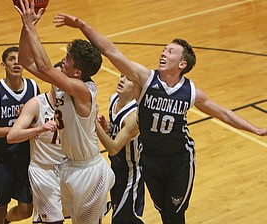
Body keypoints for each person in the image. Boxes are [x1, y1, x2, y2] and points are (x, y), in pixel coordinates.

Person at [52, 13, 267, 224]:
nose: (163, 53)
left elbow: (224, 113)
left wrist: (255, 129)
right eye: (164, 49)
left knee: (174, 216)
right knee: (164, 212)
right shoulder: (145, 78)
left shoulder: (190, 92)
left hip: (179, 160)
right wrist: (81, 25)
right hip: (150, 159)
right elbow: (110, 50)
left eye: (171, 51)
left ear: (182, 64)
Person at [14, 0, 115, 224]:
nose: (63, 59)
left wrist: (31, 26)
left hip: (90, 171)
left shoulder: (83, 90)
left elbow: (43, 66)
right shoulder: (62, 84)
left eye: (68, 59)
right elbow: (26, 61)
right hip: (68, 167)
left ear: (77, 72)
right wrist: (25, 25)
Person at [0, 46, 40, 224]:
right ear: (3, 65)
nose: (16, 62)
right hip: (1, 157)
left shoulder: (33, 88)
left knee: (26, 210)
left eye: (20, 59)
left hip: (25, 156)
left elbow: (38, 121)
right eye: (12, 59)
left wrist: (30, 123)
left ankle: (7, 221)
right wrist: (15, 131)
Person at [7, 62, 67, 224]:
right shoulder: (36, 104)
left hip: (69, 169)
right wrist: (39, 129)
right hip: (43, 170)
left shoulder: (75, 103)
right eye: (57, 78)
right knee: (54, 221)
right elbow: (12, 136)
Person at [96, 74, 145, 224]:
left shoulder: (134, 116)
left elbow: (114, 148)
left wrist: (93, 123)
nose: (122, 80)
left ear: (137, 87)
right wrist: (107, 128)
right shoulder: (114, 99)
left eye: (128, 79)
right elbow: (116, 131)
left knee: (120, 219)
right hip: (116, 169)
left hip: (132, 172)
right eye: (122, 76)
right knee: (125, 217)